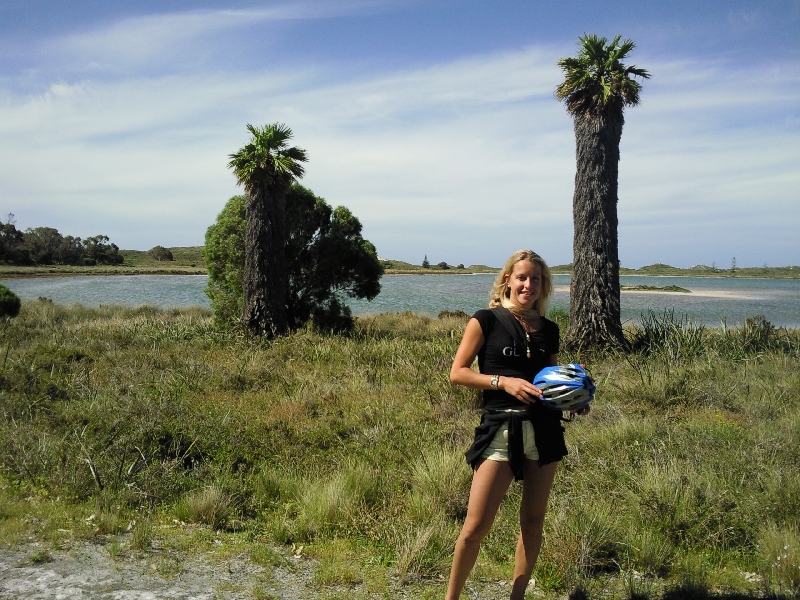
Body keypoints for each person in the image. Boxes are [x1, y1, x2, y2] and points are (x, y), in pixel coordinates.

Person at [445, 249, 588, 600]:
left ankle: (518, 596)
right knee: (475, 527)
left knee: (533, 521)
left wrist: (572, 398)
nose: (528, 284)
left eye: (535, 279)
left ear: (543, 285)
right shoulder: (486, 320)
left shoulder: (549, 329)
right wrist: (502, 382)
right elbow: (457, 372)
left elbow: (552, 379)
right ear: (507, 279)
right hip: (500, 430)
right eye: (522, 277)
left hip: (544, 431)